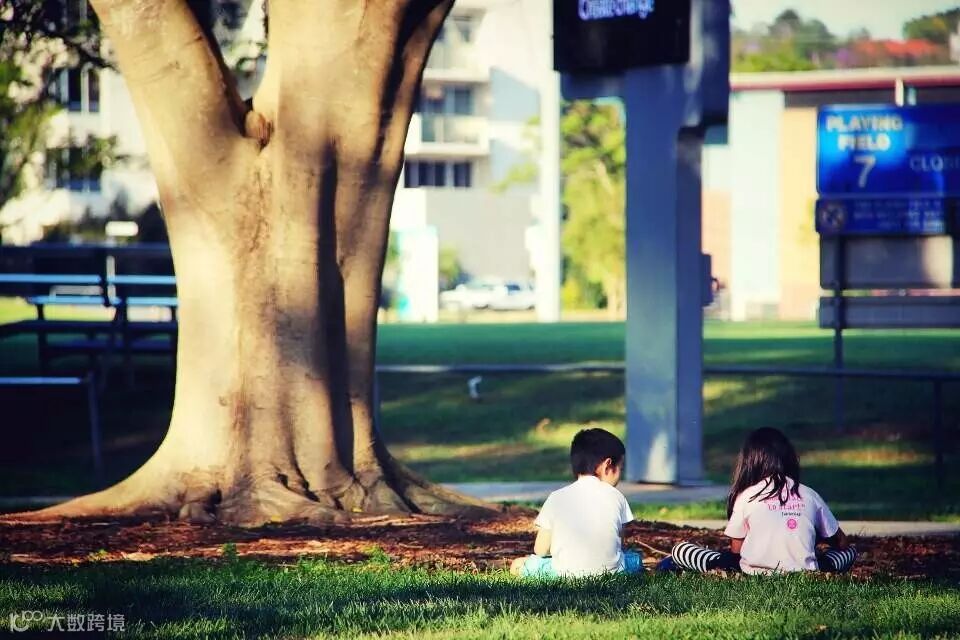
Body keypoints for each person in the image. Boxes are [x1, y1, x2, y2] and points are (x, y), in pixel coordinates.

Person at [658, 427, 857, 575]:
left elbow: (736, 551)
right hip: (805, 571)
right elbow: (842, 542)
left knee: (681, 550)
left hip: (752, 572)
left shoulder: (747, 496)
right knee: (849, 552)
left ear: (749, 463)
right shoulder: (809, 494)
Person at [510, 428, 643, 578]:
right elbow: (619, 543)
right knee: (635, 559)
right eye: (621, 469)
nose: (620, 475)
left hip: (562, 574)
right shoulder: (617, 497)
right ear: (607, 466)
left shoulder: (556, 497)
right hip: (614, 573)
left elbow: (540, 550)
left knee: (518, 564)